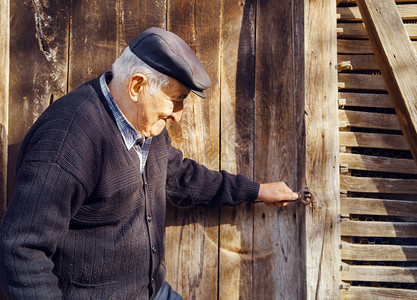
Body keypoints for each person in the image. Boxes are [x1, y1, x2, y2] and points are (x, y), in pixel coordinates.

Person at [0, 27, 298, 299]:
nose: (178, 115)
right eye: (176, 99)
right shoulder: (68, 141)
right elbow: (22, 250)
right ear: (137, 86)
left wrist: (255, 190)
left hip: (153, 291)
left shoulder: (143, 123)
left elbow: (179, 177)